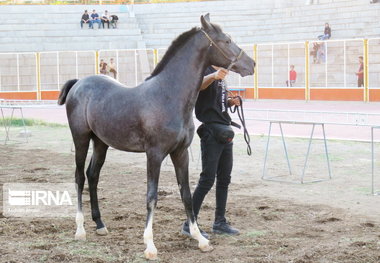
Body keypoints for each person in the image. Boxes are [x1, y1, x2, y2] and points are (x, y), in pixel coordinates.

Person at [181, 66, 241, 238]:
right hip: (211, 131)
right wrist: (213, 76)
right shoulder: (205, 69)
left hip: (224, 130)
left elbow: (217, 103)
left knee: (224, 179)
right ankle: (189, 224)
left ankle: (220, 222)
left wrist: (231, 103)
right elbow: (196, 85)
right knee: (207, 179)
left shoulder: (222, 73)